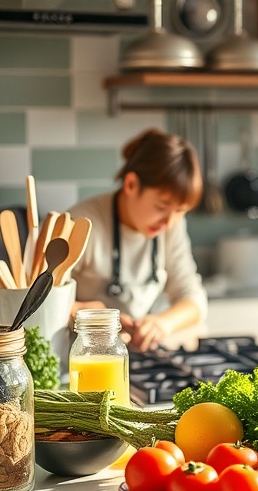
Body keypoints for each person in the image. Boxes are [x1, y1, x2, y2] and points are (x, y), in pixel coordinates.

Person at [68, 128, 208, 352]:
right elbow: (40, 306)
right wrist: (83, 312)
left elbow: (193, 298)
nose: (170, 223)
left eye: (180, 211)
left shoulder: (170, 227)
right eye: (161, 206)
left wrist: (162, 324)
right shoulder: (80, 226)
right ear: (131, 185)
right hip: (82, 360)